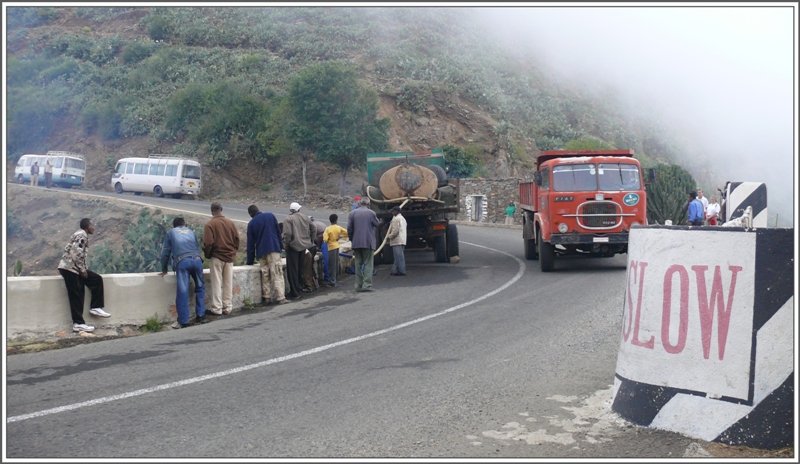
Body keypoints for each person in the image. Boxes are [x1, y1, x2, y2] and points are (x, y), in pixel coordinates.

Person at [57, 218, 111, 333]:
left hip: (74, 268)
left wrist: (82, 269)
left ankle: (95, 307)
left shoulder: (81, 235)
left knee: (95, 280)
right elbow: (76, 253)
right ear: (87, 226)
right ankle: (78, 324)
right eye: (92, 225)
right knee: (76, 295)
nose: (94, 228)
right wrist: (82, 270)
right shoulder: (81, 235)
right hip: (69, 268)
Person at [159, 217, 207, 329]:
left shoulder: (171, 233)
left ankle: (184, 321)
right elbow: (197, 247)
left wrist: (164, 269)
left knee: (183, 291)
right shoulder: (191, 232)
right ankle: (201, 315)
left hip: (183, 262)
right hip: (197, 260)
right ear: (184, 224)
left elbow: (165, 253)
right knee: (200, 287)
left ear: (174, 225)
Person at [203, 202, 240, 316]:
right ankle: (227, 307)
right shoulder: (230, 223)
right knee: (228, 283)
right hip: (229, 257)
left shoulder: (210, 224)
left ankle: (217, 308)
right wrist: (233, 252)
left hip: (217, 257)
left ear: (212, 211)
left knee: (217, 283)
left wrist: (208, 255)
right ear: (221, 209)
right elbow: (237, 239)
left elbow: (208, 243)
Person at [246, 205, 287, 305]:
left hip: (261, 252)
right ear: (258, 210)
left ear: (250, 214)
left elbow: (250, 244)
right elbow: (278, 232)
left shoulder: (251, 224)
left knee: (265, 274)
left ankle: (267, 297)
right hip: (273, 248)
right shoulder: (270, 216)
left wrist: (250, 261)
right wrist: (281, 246)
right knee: (276, 272)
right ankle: (280, 297)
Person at [282, 202, 316, 299]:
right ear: (298, 209)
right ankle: (300, 288)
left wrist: (286, 244)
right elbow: (313, 228)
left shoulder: (288, 219)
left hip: (293, 247)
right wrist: (311, 240)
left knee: (292, 271)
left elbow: (287, 234)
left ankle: (295, 293)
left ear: (291, 210)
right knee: (300, 268)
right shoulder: (305, 217)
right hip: (303, 247)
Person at [347, 196, 380, 292]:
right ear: (368, 204)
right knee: (368, 264)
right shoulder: (371, 213)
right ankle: (367, 285)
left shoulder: (352, 213)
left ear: (360, 203)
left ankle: (358, 285)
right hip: (368, 242)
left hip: (356, 243)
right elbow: (377, 224)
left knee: (358, 264)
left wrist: (352, 239)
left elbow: (349, 228)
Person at [322, 213, 348, 287]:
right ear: (336, 220)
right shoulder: (338, 227)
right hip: (337, 246)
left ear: (330, 220)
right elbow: (347, 233)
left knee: (331, 264)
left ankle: (332, 281)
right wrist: (340, 237)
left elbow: (325, 239)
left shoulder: (328, 229)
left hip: (331, 247)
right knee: (336, 263)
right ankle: (335, 278)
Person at [386, 206, 407, 276]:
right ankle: (394, 270)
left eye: (393, 211)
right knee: (398, 257)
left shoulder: (395, 219)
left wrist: (389, 236)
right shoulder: (403, 218)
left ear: (396, 211)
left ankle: (401, 271)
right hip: (402, 239)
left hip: (397, 240)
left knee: (399, 257)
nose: (392, 213)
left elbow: (395, 231)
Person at [310, 216, 329, 285]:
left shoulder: (313, 225)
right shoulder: (317, 223)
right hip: (326, 237)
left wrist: (317, 247)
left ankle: (327, 278)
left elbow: (315, 238)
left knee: (325, 259)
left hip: (324, 238)